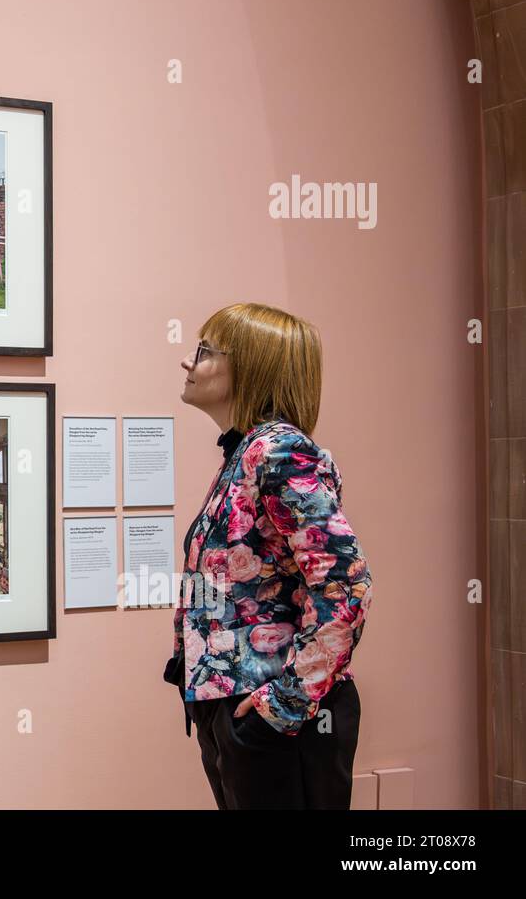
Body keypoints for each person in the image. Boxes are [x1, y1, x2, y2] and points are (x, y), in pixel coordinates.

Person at [165, 303, 372, 810]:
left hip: (275, 717)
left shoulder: (278, 452)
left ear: (250, 366)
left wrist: (283, 707)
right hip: (236, 707)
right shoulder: (244, 453)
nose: (187, 363)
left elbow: (346, 586)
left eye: (204, 351)